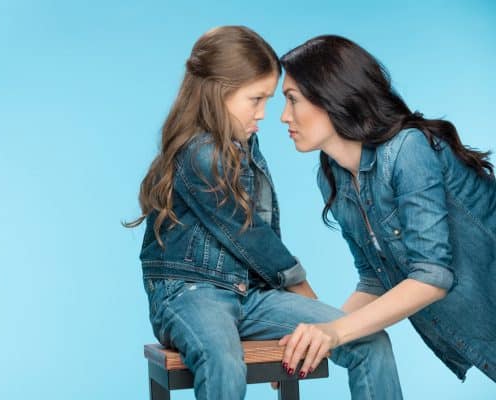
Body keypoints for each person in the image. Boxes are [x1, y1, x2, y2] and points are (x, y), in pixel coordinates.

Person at [125, 26, 403, 400]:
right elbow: (253, 238)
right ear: (219, 91)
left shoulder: (246, 148)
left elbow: (266, 234)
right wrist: (306, 300)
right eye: (256, 99)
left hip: (251, 297)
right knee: (222, 359)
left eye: (268, 100)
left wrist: (302, 324)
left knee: (368, 340)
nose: (265, 113)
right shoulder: (200, 154)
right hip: (190, 296)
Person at [278, 34, 496, 384]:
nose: (283, 117)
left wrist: (334, 333)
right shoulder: (333, 176)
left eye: (292, 100)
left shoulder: (407, 151)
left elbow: (432, 277)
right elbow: (374, 279)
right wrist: (315, 341)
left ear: (330, 96)